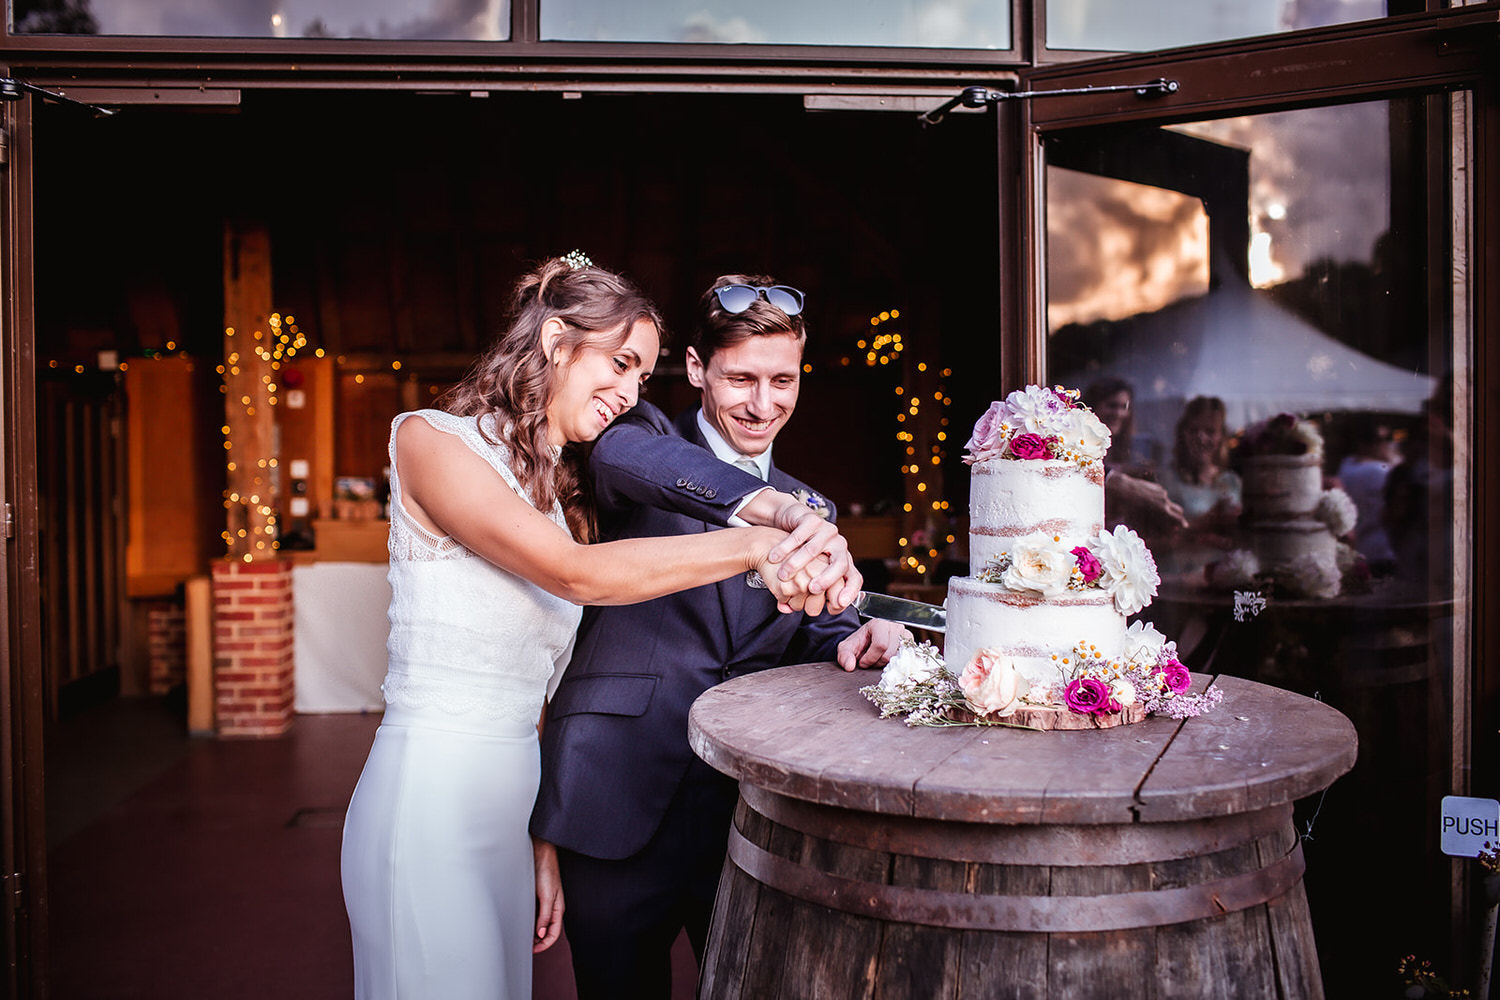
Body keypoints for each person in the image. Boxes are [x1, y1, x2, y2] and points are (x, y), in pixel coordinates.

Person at [339, 257, 848, 1000]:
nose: (629, 391)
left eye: (641, 375)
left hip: (511, 802)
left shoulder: (559, 496)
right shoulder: (429, 440)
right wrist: (760, 533)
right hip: (432, 792)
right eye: (620, 363)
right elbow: (574, 575)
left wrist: (542, 832)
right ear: (553, 341)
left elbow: (550, 677)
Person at [532, 274, 909, 999]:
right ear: (700, 369)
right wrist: (765, 511)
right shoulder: (636, 440)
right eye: (740, 379)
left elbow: (821, 632)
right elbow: (644, 467)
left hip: (745, 812)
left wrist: (862, 639)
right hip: (616, 792)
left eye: (782, 381)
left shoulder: (814, 506)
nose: (762, 405)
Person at [1082, 377, 1187, 533]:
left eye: (1124, 406)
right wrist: (1122, 482)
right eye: (1112, 406)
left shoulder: (1131, 449)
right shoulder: (1078, 443)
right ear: (1092, 407)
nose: (1119, 413)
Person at [1156, 395, 1242, 579]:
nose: (1201, 437)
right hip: (1177, 577)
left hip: (1223, 578)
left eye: (1210, 431)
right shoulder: (1166, 479)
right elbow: (1156, 541)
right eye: (1194, 430)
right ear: (1183, 433)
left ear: (1221, 436)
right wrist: (1207, 522)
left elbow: (1241, 540)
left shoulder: (1231, 481)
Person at [1335, 414, 1400, 573]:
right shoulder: (1379, 471)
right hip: (1385, 549)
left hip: (1362, 549)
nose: (1388, 445)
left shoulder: (1346, 467)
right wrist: (1391, 459)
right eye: (1383, 441)